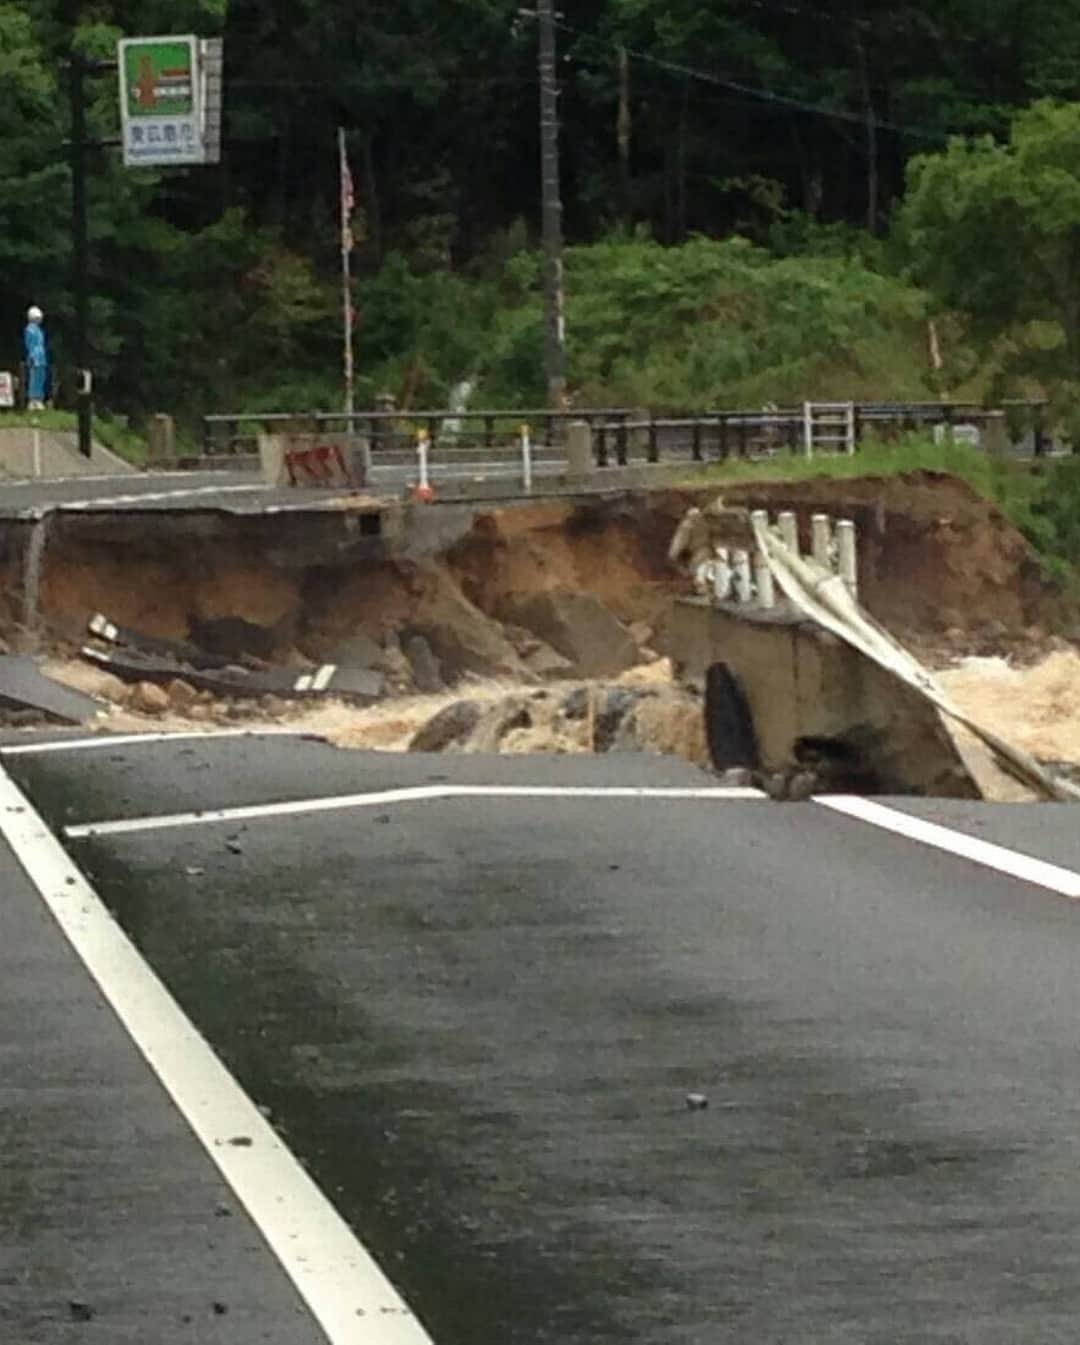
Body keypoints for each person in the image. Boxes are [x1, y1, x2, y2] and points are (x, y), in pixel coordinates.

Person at [23, 306, 48, 411]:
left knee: (40, 377)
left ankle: (39, 399)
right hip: (34, 356)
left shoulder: (39, 330)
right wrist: (32, 356)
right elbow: (29, 344)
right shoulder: (29, 329)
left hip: (41, 356)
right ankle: (32, 400)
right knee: (33, 378)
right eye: (37, 318)